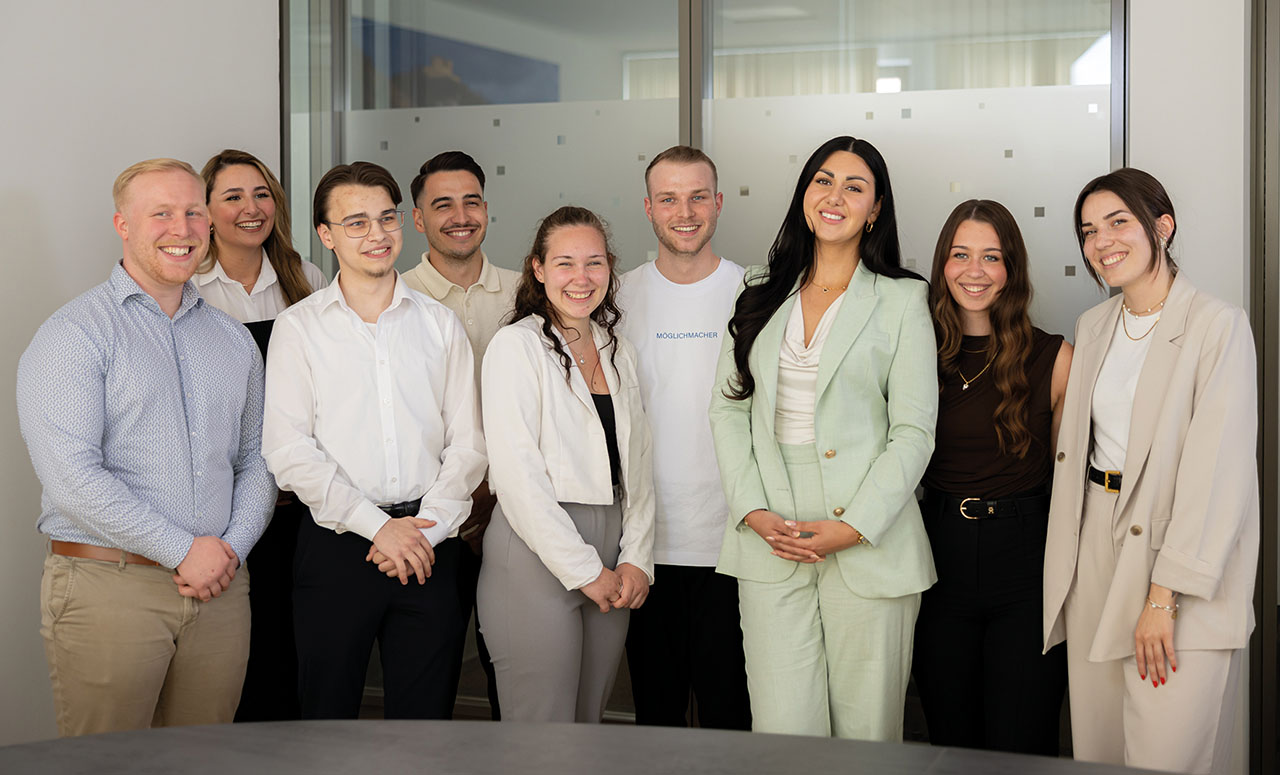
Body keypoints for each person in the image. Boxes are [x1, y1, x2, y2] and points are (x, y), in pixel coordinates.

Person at [16, 158, 275, 735]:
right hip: (110, 590)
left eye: (193, 213)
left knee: (205, 764)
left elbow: (257, 458)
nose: (181, 229)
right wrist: (183, 550)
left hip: (221, 593)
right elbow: (72, 477)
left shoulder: (232, 340)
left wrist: (228, 550)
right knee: (108, 767)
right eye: (161, 214)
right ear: (123, 225)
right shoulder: (74, 334)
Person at [708, 136, 937, 741]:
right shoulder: (758, 287)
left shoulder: (903, 298)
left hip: (868, 535)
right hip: (770, 533)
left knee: (866, 734)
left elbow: (914, 432)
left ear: (876, 208)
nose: (835, 197)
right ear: (804, 196)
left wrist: (855, 525)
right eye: (822, 181)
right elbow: (728, 411)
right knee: (783, 731)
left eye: (854, 187)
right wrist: (752, 509)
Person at [1043, 168, 1258, 775]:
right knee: (1100, 751)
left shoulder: (1217, 326)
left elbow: (1218, 470)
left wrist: (1163, 597)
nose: (1101, 242)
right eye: (1088, 230)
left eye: (1118, 222)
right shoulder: (1095, 326)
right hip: (1096, 548)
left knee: (1170, 753)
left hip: (1177, 560)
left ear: (1161, 226)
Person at [262, 161, 486, 720]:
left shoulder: (439, 324)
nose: (377, 234)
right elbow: (288, 450)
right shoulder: (299, 327)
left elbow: (469, 445)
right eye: (356, 222)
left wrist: (424, 531)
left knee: (424, 723)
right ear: (326, 234)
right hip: (337, 546)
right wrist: (378, 527)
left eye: (386, 218)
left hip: (430, 546)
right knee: (328, 718)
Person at [477, 206, 655, 722]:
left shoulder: (617, 348)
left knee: (589, 721)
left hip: (614, 542)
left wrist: (637, 558)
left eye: (595, 263)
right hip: (536, 551)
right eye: (565, 264)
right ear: (537, 269)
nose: (582, 278)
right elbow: (517, 479)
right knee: (542, 728)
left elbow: (638, 463)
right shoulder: (516, 347)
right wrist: (582, 570)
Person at [912, 200, 1072, 754]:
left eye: (991, 257)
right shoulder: (914, 352)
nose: (974, 271)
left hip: (1027, 566)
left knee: (1022, 741)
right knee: (950, 739)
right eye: (960, 255)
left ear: (1012, 270)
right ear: (943, 264)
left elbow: (1075, 483)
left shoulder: (1055, 357)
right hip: (937, 560)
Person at [617, 145, 750, 730]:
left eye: (698, 196)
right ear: (648, 208)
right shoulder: (613, 297)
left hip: (737, 544)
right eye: (669, 198)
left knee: (732, 716)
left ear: (718, 203)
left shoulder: (758, 293)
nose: (685, 211)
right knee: (657, 717)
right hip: (646, 548)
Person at [197, 148, 326, 722]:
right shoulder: (192, 290)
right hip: (226, 504)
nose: (251, 209)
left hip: (302, 501)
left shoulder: (310, 281)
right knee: (235, 655)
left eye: (261, 195)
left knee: (295, 644)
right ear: (205, 211)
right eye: (233, 197)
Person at [403, 150, 518, 719]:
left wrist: (501, 495)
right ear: (418, 220)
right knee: (431, 671)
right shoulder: (393, 298)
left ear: (487, 210)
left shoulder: (532, 292)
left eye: (471, 201)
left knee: (514, 670)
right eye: (441, 204)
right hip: (433, 515)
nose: (460, 215)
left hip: (519, 509)